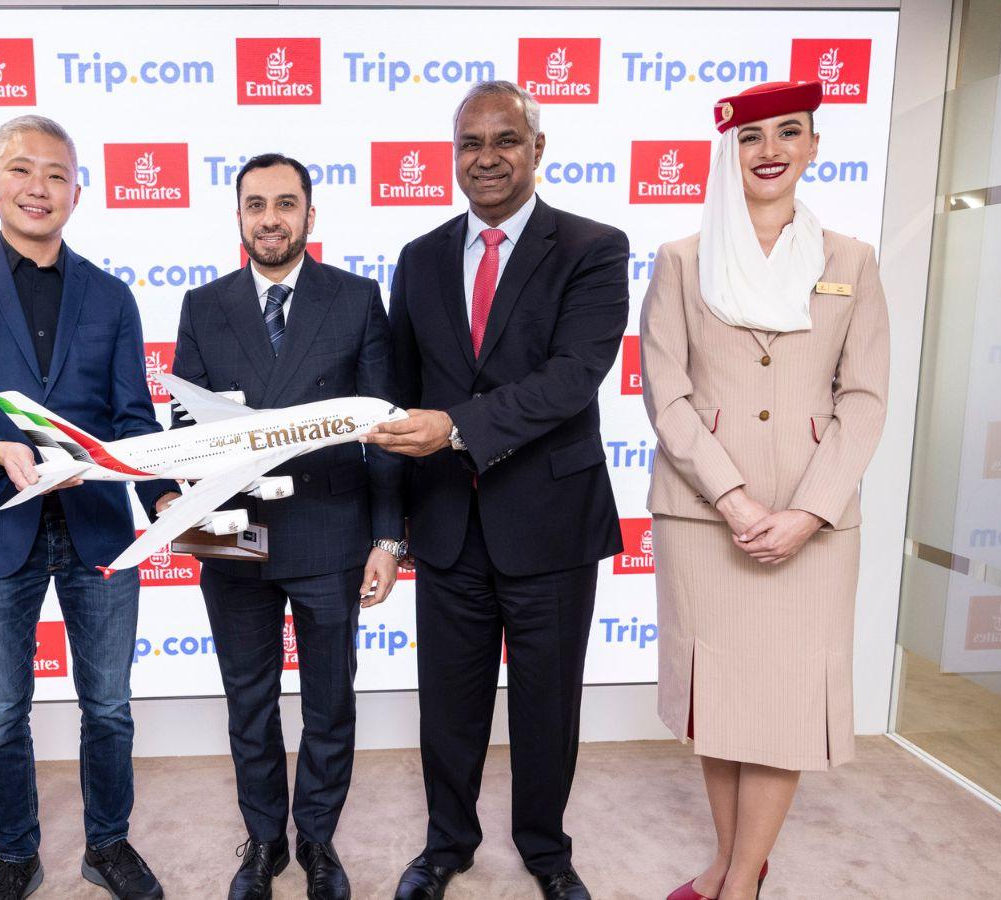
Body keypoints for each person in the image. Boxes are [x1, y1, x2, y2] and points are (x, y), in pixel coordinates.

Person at [0, 115, 174, 900]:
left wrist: (167, 496)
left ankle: (107, 846)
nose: (38, 187)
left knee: (109, 708)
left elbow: (133, 421)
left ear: (77, 193)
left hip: (100, 532)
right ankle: (15, 854)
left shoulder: (111, 296)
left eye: (56, 174)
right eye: (21, 170)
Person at [363, 81, 629, 900]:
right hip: (447, 522)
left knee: (548, 704)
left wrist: (456, 426)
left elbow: (573, 378)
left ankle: (547, 851)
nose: (487, 157)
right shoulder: (420, 257)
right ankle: (446, 846)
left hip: (551, 521)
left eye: (505, 140)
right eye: (470, 143)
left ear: (536, 149)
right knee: (449, 706)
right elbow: (400, 393)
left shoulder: (592, 247)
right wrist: (389, 527)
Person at [639, 81, 889, 900]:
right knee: (720, 699)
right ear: (729, 151)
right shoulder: (682, 259)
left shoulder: (850, 260)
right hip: (705, 517)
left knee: (783, 707)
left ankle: (742, 880)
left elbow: (865, 397)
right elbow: (666, 395)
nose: (770, 149)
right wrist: (735, 501)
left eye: (789, 132)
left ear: (815, 146)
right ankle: (724, 860)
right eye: (751, 137)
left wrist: (810, 511)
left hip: (815, 524)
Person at [159, 153, 404, 900]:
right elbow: (183, 420)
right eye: (257, 204)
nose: (271, 218)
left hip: (331, 530)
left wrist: (388, 539)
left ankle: (318, 840)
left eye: (286, 203)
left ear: (310, 214)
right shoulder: (203, 305)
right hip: (231, 534)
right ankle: (264, 841)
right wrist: (175, 495)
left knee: (330, 701)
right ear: (238, 216)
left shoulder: (356, 298)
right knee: (249, 701)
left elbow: (384, 428)